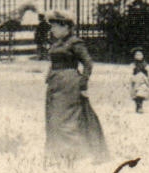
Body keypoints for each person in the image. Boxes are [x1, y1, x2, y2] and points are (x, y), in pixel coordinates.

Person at [43, 10, 107, 162]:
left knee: (66, 119)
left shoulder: (75, 42)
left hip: (69, 84)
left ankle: (73, 152)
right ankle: (58, 151)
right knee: (54, 117)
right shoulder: (57, 43)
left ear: (66, 27)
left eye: (55, 26)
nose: (52, 30)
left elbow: (88, 63)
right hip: (55, 83)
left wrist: (83, 83)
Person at [129, 48, 149, 113]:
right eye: (137, 55)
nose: (138, 56)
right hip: (135, 80)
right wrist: (131, 78)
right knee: (136, 93)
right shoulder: (133, 65)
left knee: (141, 93)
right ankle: (138, 106)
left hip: (143, 81)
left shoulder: (145, 64)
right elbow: (130, 72)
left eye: (140, 54)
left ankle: (140, 106)